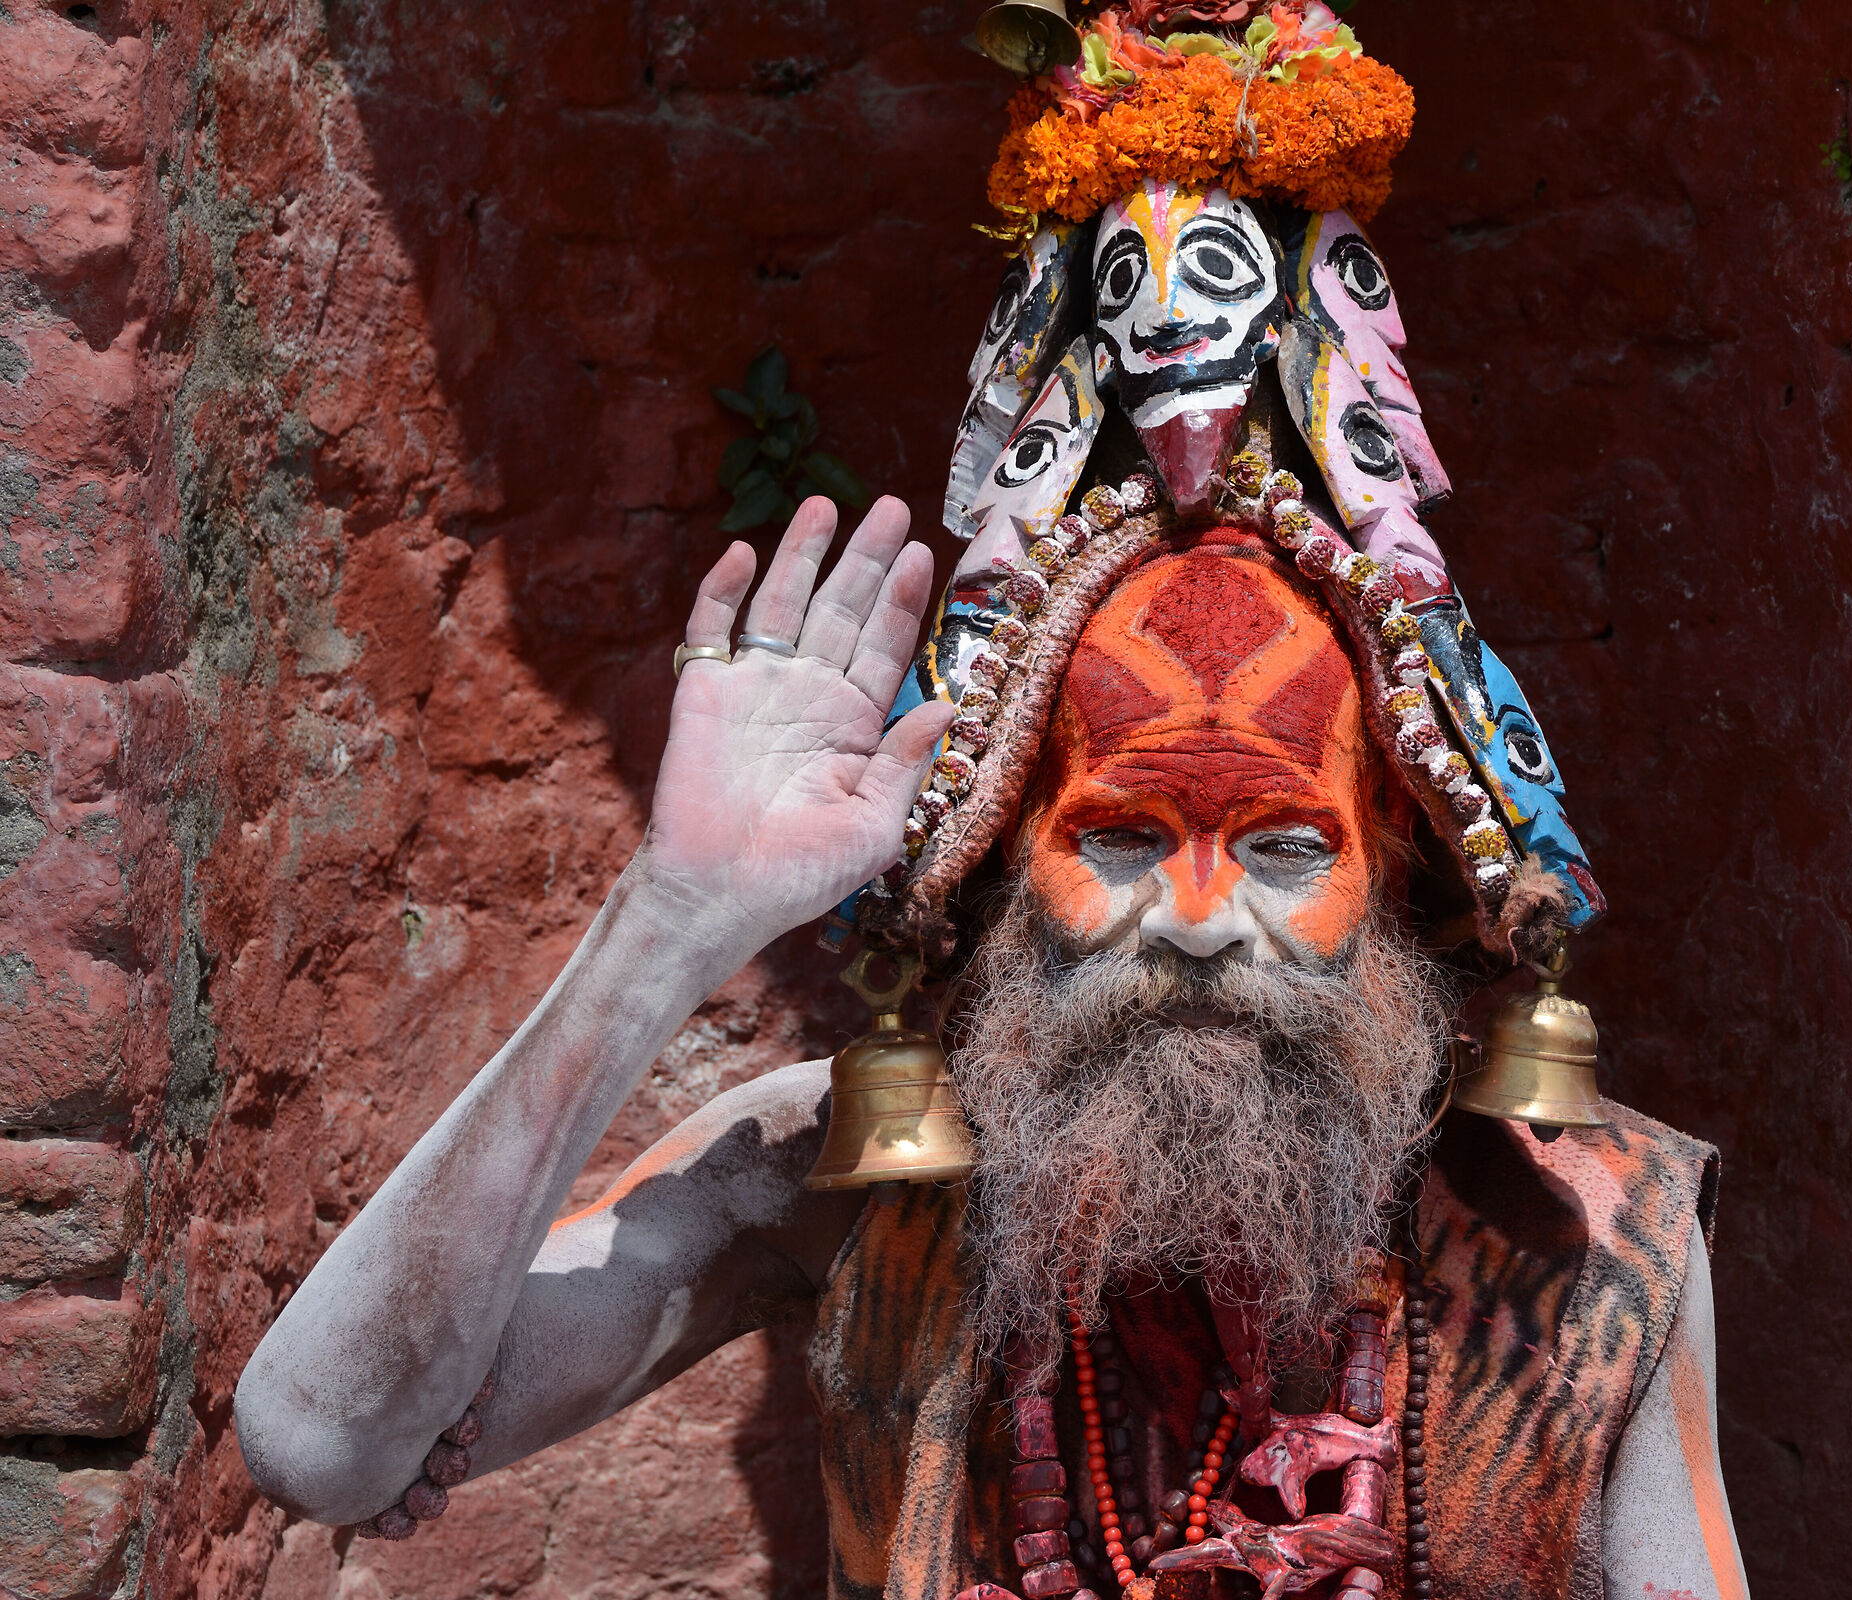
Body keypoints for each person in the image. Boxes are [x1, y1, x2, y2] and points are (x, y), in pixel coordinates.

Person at [236, 9, 1749, 1599]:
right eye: (1116, 838)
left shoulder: (1601, 1238)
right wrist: (675, 919)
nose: (1197, 918)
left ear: (1397, 876)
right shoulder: (843, 1180)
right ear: (1012, 865)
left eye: (1288, 846)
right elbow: (327, 1440)